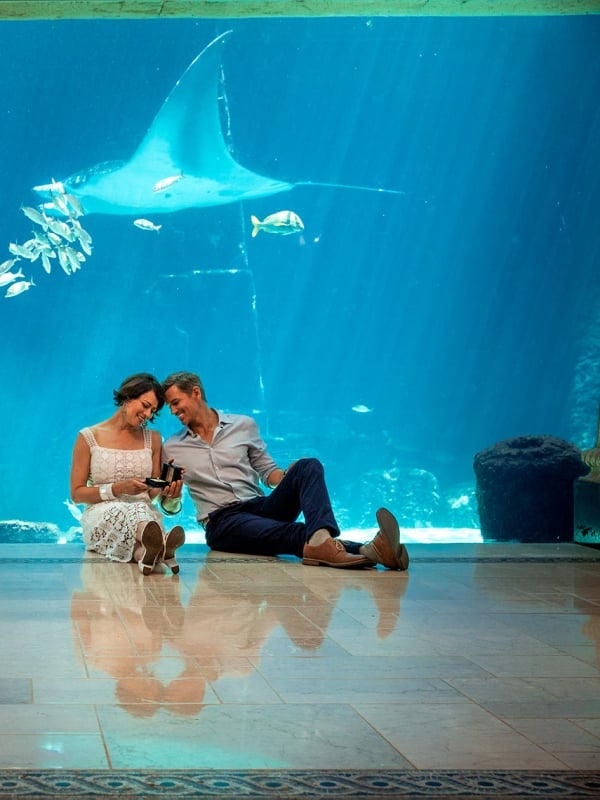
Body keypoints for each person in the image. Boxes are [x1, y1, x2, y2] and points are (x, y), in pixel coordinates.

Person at [161, 371, 409, 571]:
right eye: (169, 407)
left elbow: (268, 473)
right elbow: (168, 505)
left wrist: (287, 475)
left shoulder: (243, 425)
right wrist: (171, 499)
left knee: (308, 465)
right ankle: (370, 549)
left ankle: (329, 543)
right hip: (222, 521)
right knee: (292, 532)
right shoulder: (172, 446)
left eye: (175, 403)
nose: (172, 411)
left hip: (260, 506)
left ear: (195, 393)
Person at [70, 373, 186, 575]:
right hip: (102, 516)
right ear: (127, 396)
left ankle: (149, 553)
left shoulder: (154, 438)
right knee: (133, 510)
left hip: (145, 512)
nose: (148, 414)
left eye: (153, 411)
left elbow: (151, 495)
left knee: (141, 512)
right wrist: (117, 489)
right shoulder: (88, 437)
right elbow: (77, 494)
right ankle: (163, 544)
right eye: (145, 405)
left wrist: (165, 487)